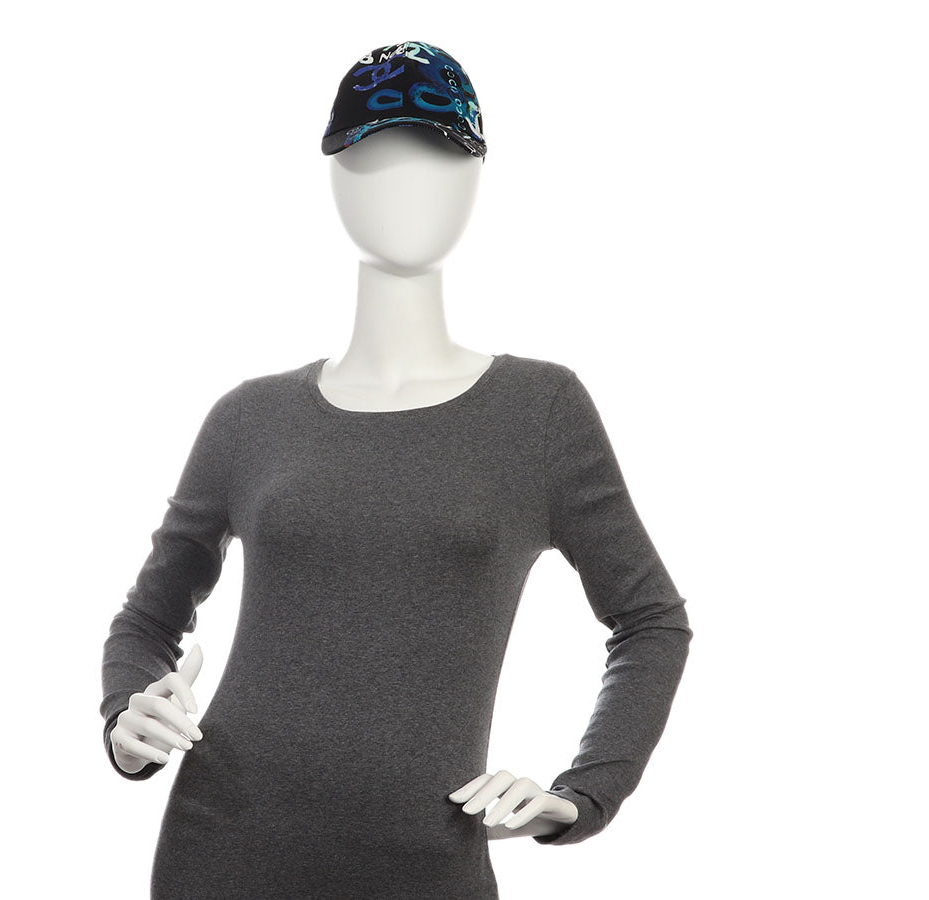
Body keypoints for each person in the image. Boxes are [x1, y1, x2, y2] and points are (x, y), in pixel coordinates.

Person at [99, 40, 693, 899]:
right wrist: (128, 718)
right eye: (378, 158)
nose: (411, 188)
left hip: (427, 867)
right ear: (336, 174)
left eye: (441, 156)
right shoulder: (249, 417)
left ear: (477, 175)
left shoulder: (538, 412)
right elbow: (146, 620)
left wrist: (583, 793)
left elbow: (650, 621)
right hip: (220, 855)